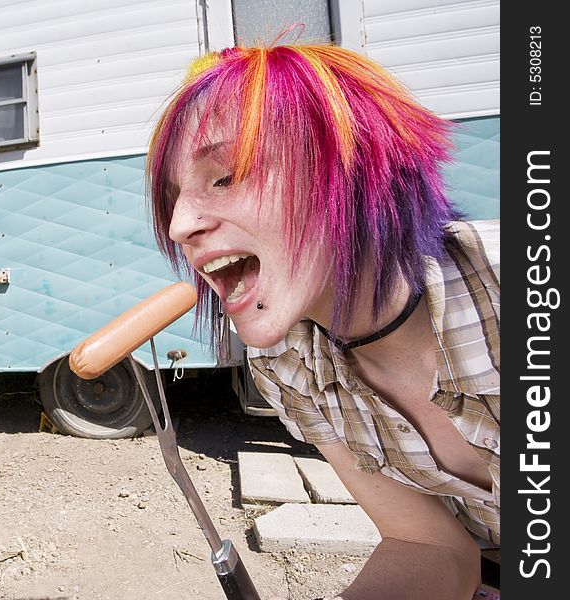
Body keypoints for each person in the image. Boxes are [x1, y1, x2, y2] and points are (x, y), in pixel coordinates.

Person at [146, 42, 500, 600]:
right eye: (172, 198)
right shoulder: (287, 367)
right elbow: (427, 544)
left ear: (357, 169)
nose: (178, 226)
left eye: (226, 175)